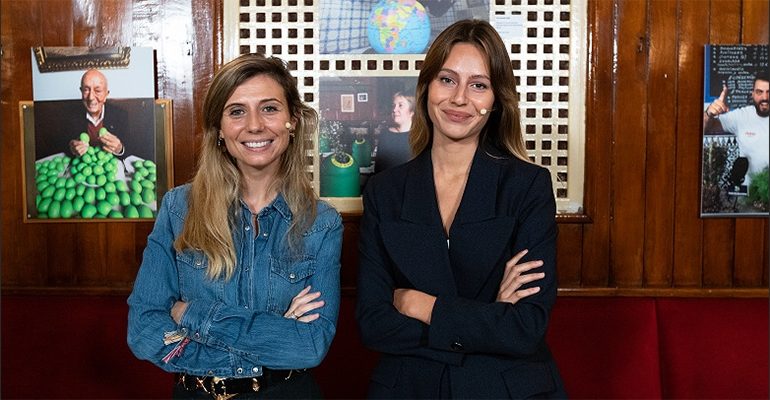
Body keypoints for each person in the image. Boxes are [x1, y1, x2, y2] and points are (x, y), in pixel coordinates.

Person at [355, 19, 567, 399]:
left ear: (496, 100)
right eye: (447, 80)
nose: (459, 99)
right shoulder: (384, 191)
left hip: (505, 389)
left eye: (479, 85)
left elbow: (524, 327)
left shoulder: (527, 186)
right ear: (426, 88)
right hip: (410, 389)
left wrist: (422, 305)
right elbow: (374, 324)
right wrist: (487, 319)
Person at [127, 53, 343, 399]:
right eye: (237, 111)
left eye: (270, 108)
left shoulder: (322, 223)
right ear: (220, 130)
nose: (255, 125)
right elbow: (144, 329)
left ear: (293, 122)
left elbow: (310, 346)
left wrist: (190, 314)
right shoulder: (177, 208)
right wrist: (274, 335)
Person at [704, 72, 769, 187]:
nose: (765, 98)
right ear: (752, 94)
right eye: (759, 92)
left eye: (769, 92)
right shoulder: (741, 116)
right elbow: (705, 128)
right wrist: (709, 113)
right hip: (748, 195)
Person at [68, 69, 129, 158]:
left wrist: (119, 148)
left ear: (106, 95)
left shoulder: (120, 115)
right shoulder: (71, 115)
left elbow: (129, 148)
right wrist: (72, 148)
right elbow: (63, 147)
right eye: (86, 90)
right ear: (81, 92)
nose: (91, 97)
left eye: (98, 91)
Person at [374, 91, 415, 174]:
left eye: (400, 105)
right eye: (394, 106)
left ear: (412, 111)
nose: (394, 109)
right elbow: (378, 168)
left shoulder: (420, 136)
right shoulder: (385, 134)